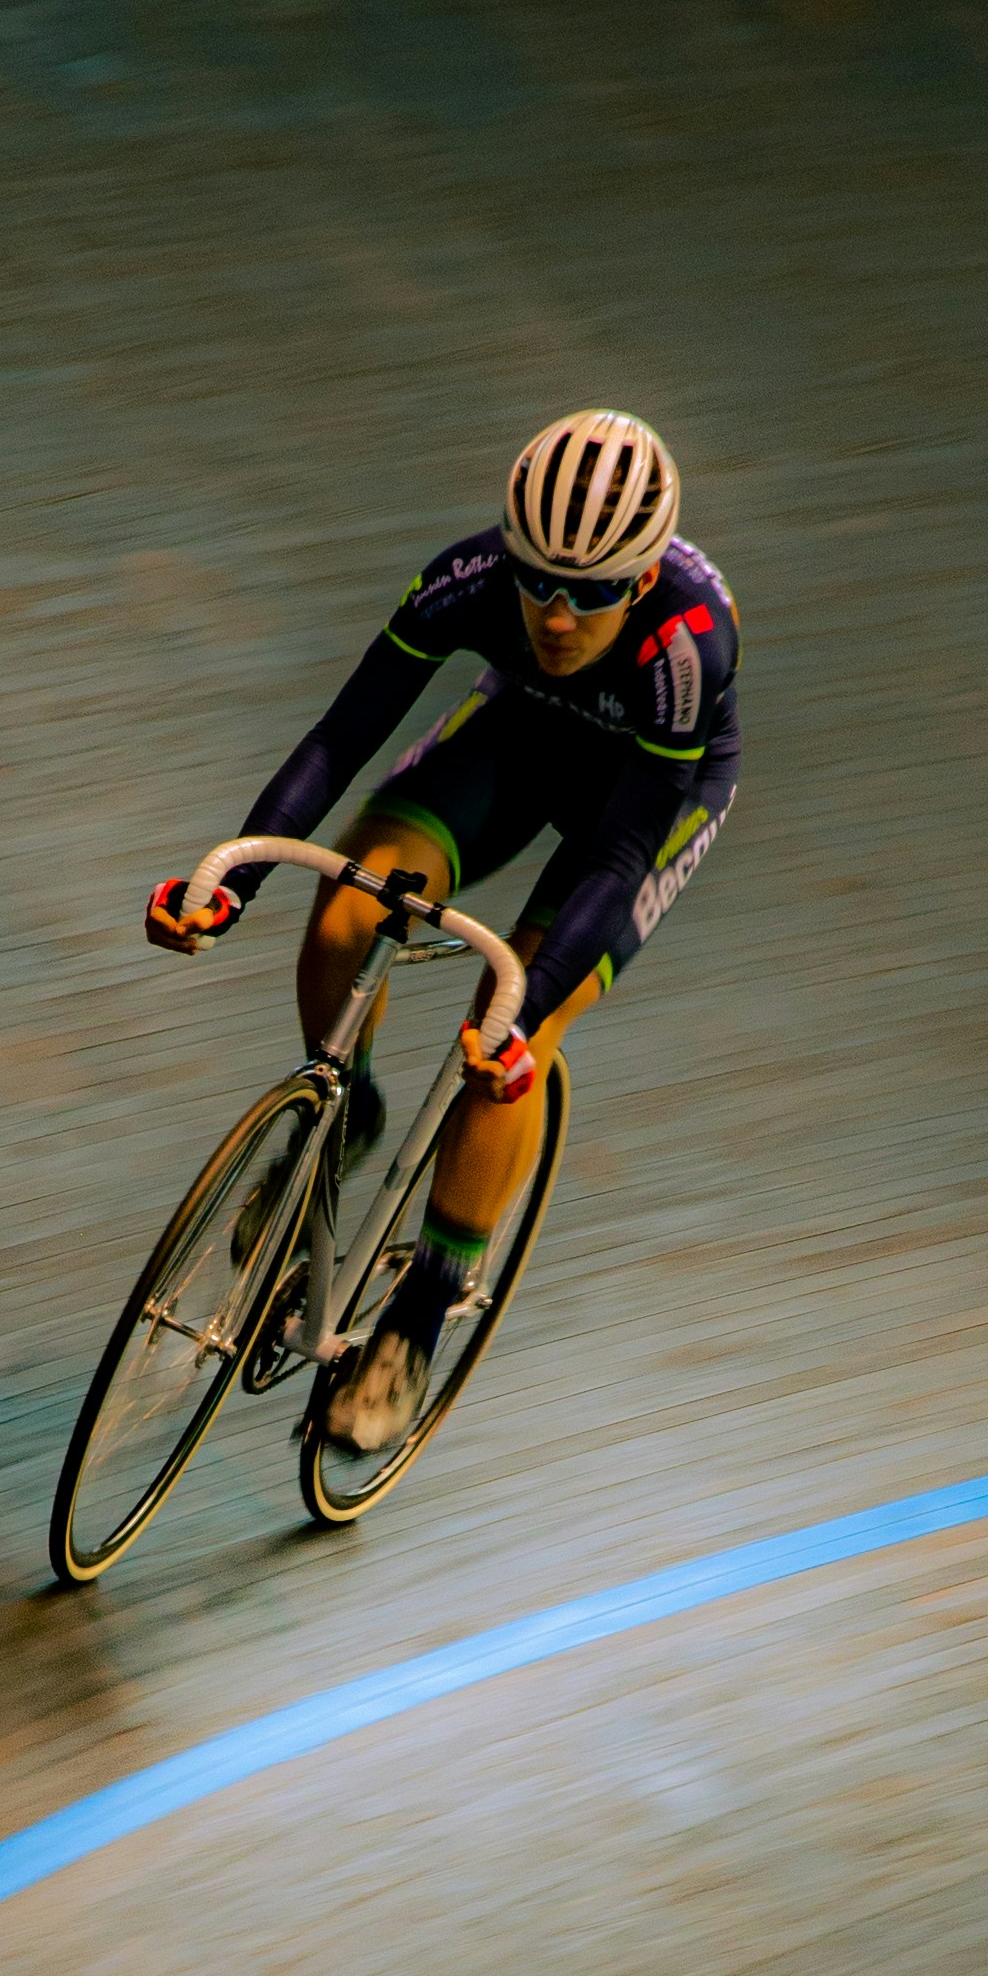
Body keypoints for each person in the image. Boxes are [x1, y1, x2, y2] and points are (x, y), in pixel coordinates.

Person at [147, 409, 740, 1455]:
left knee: (506, 1040)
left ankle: (420, 1311)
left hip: (639, 805)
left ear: (640, 584)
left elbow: (614, 858)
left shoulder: (685, 651)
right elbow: (343, 735)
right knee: (345, 911)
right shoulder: (466, 580)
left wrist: (527, 1006)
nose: (557, 616)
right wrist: (230, 880)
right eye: (539, 582)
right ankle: (347, 1108)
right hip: (515, 738)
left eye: (592, 592)